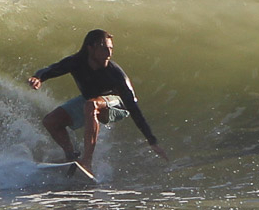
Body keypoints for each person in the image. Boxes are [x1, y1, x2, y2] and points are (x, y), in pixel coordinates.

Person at [27, 29, 169, 173]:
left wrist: (152, 140)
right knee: (51, 121)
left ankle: (87, 161)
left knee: (91, 105)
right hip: (91, 100)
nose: (109, 53)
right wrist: (38, 78)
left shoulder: (115, 73)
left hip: (118, 104)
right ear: (90, 48)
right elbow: (52, 69)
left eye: (111, 49)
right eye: (104, 48)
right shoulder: (76, 62)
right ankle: (72, 157)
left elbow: (133, 107)